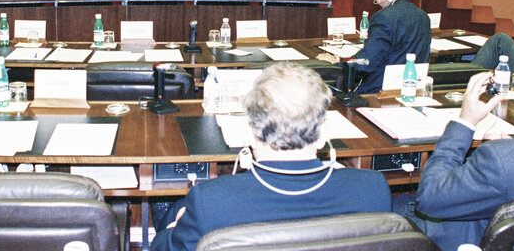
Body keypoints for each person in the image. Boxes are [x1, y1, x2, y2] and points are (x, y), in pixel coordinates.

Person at [151, 63, 392, 251]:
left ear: (251, 134)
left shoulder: (209, 201)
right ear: (322, 136)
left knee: (174, 211)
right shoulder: (373, 189)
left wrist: (173, 227)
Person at [398, 26, 514, 251]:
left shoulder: (501, 160)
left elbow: (429, 199)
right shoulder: (506, 158)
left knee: (393, 205)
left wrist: (464, 122)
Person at [320, 0, 430, 93]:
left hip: (377, 93)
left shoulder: (384, 17)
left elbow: (366, 63)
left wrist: (335, 63)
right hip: (410, 91)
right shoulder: (423, 16)